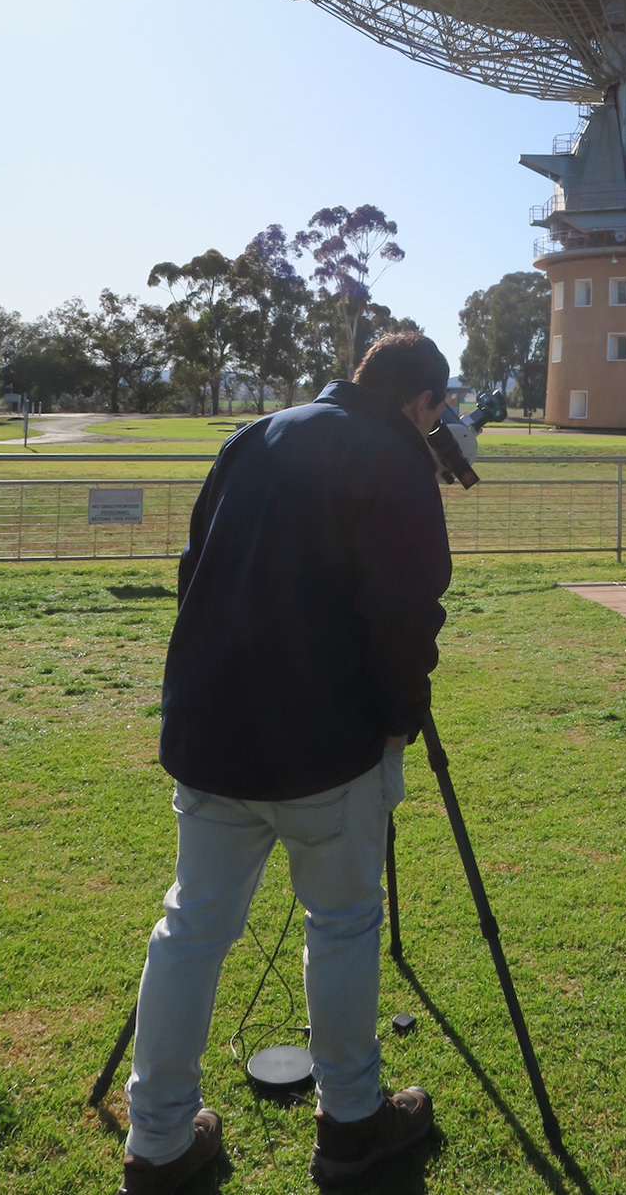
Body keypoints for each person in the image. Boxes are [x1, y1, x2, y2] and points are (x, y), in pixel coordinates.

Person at [116, 332, 453, 1194]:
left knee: (190, 930)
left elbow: (194, 570)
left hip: (212, 733)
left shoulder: (254, 434)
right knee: (341, 925)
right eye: (438, 411)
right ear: (424, 401)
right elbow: (405, 607)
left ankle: (155, 1141)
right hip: (323, 745)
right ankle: (351, 1124)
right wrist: (399, 720)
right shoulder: (396, 456)